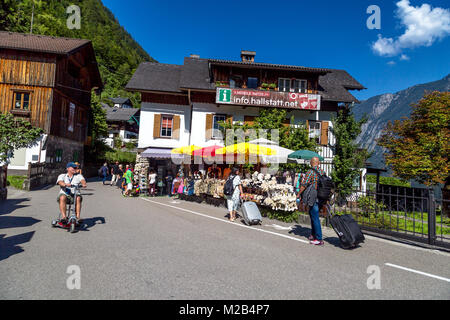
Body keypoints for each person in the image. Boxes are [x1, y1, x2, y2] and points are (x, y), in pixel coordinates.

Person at [297, 157, 326, 246]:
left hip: (313, 197)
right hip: (321, 196)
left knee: (315, 217)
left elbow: (304, 184)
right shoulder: (322, 172)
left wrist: (299, 193)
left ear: (311, 162)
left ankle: (319, 238)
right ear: (319, 163)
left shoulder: (310, 172)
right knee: (313, 215)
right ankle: (313, 235)